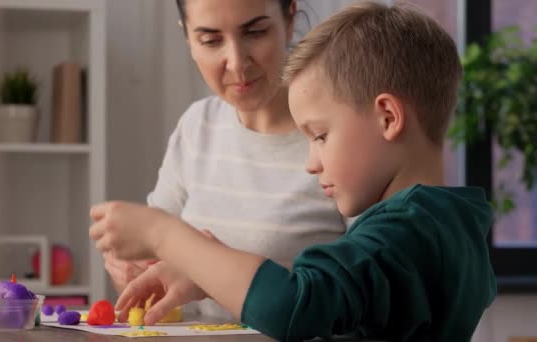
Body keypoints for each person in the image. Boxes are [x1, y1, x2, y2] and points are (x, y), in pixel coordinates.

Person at [90, 1, 497, 341]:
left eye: (320, 135)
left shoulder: (403, 232)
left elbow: (295, 304)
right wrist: (204, 275)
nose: (310, 161)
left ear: (388, 117)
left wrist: (165, 234)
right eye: (210, 38)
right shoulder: (447, 223)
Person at [103, 0, 346, 322]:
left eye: (256, 32)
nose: (236, 62)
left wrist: (203, 271)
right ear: (188, 38)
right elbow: (156, 256)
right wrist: (131, 270)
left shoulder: (341, 131)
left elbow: (361, 293)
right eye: (211, 40)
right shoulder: (196, 126)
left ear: (289, 20)